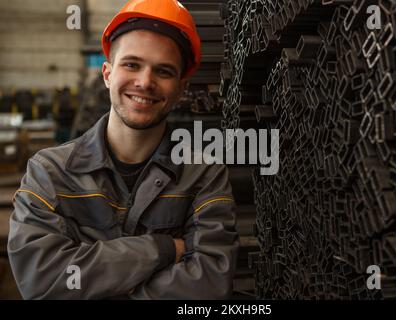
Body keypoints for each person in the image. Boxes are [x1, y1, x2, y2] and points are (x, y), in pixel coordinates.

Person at [8, 0, 239, 299]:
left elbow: (210, 282)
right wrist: (165, 248)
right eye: (132, 64)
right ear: (107, 74)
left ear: (181, 89)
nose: (145, 82)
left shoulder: (204, 175)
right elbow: (41, 280)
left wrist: (99, 281)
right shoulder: (50, 173)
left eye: (164, 71)